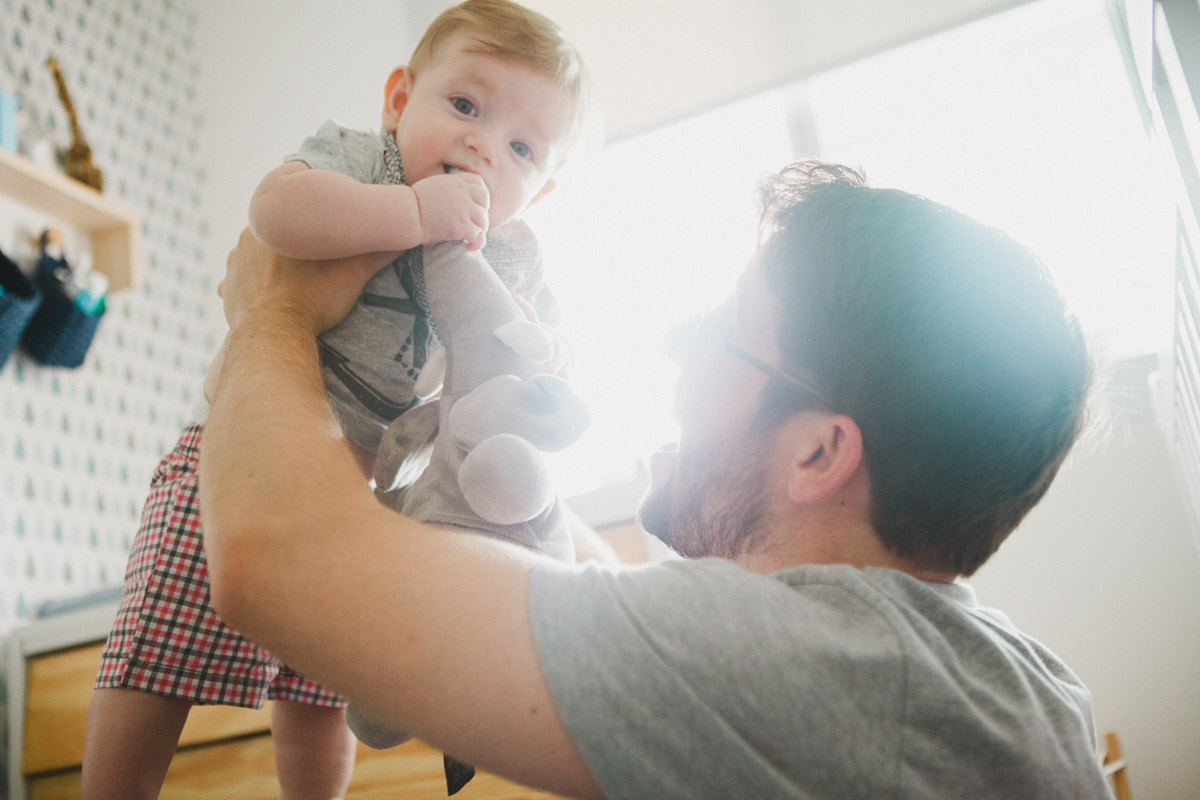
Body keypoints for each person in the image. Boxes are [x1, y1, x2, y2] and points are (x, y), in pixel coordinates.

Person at [200, 162, 1113, 799]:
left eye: (720, 331)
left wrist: (271, 313)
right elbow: (604, 597)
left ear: (819, 456)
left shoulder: (821, 672)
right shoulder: (1004, 683)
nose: (678, 344)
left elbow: (277, 559)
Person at [81, 2, 595, 798]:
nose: (483, 146)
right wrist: (414, 214)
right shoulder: (368, 164)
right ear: (399, 99)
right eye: (465, 106)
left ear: (545, 187)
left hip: (358, 495)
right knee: (157, 657)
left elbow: (537, 345)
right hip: (232, 461)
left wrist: (547, 353)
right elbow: (274, 214)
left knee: (320, 688)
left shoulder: (510, 254)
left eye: (521, 147)